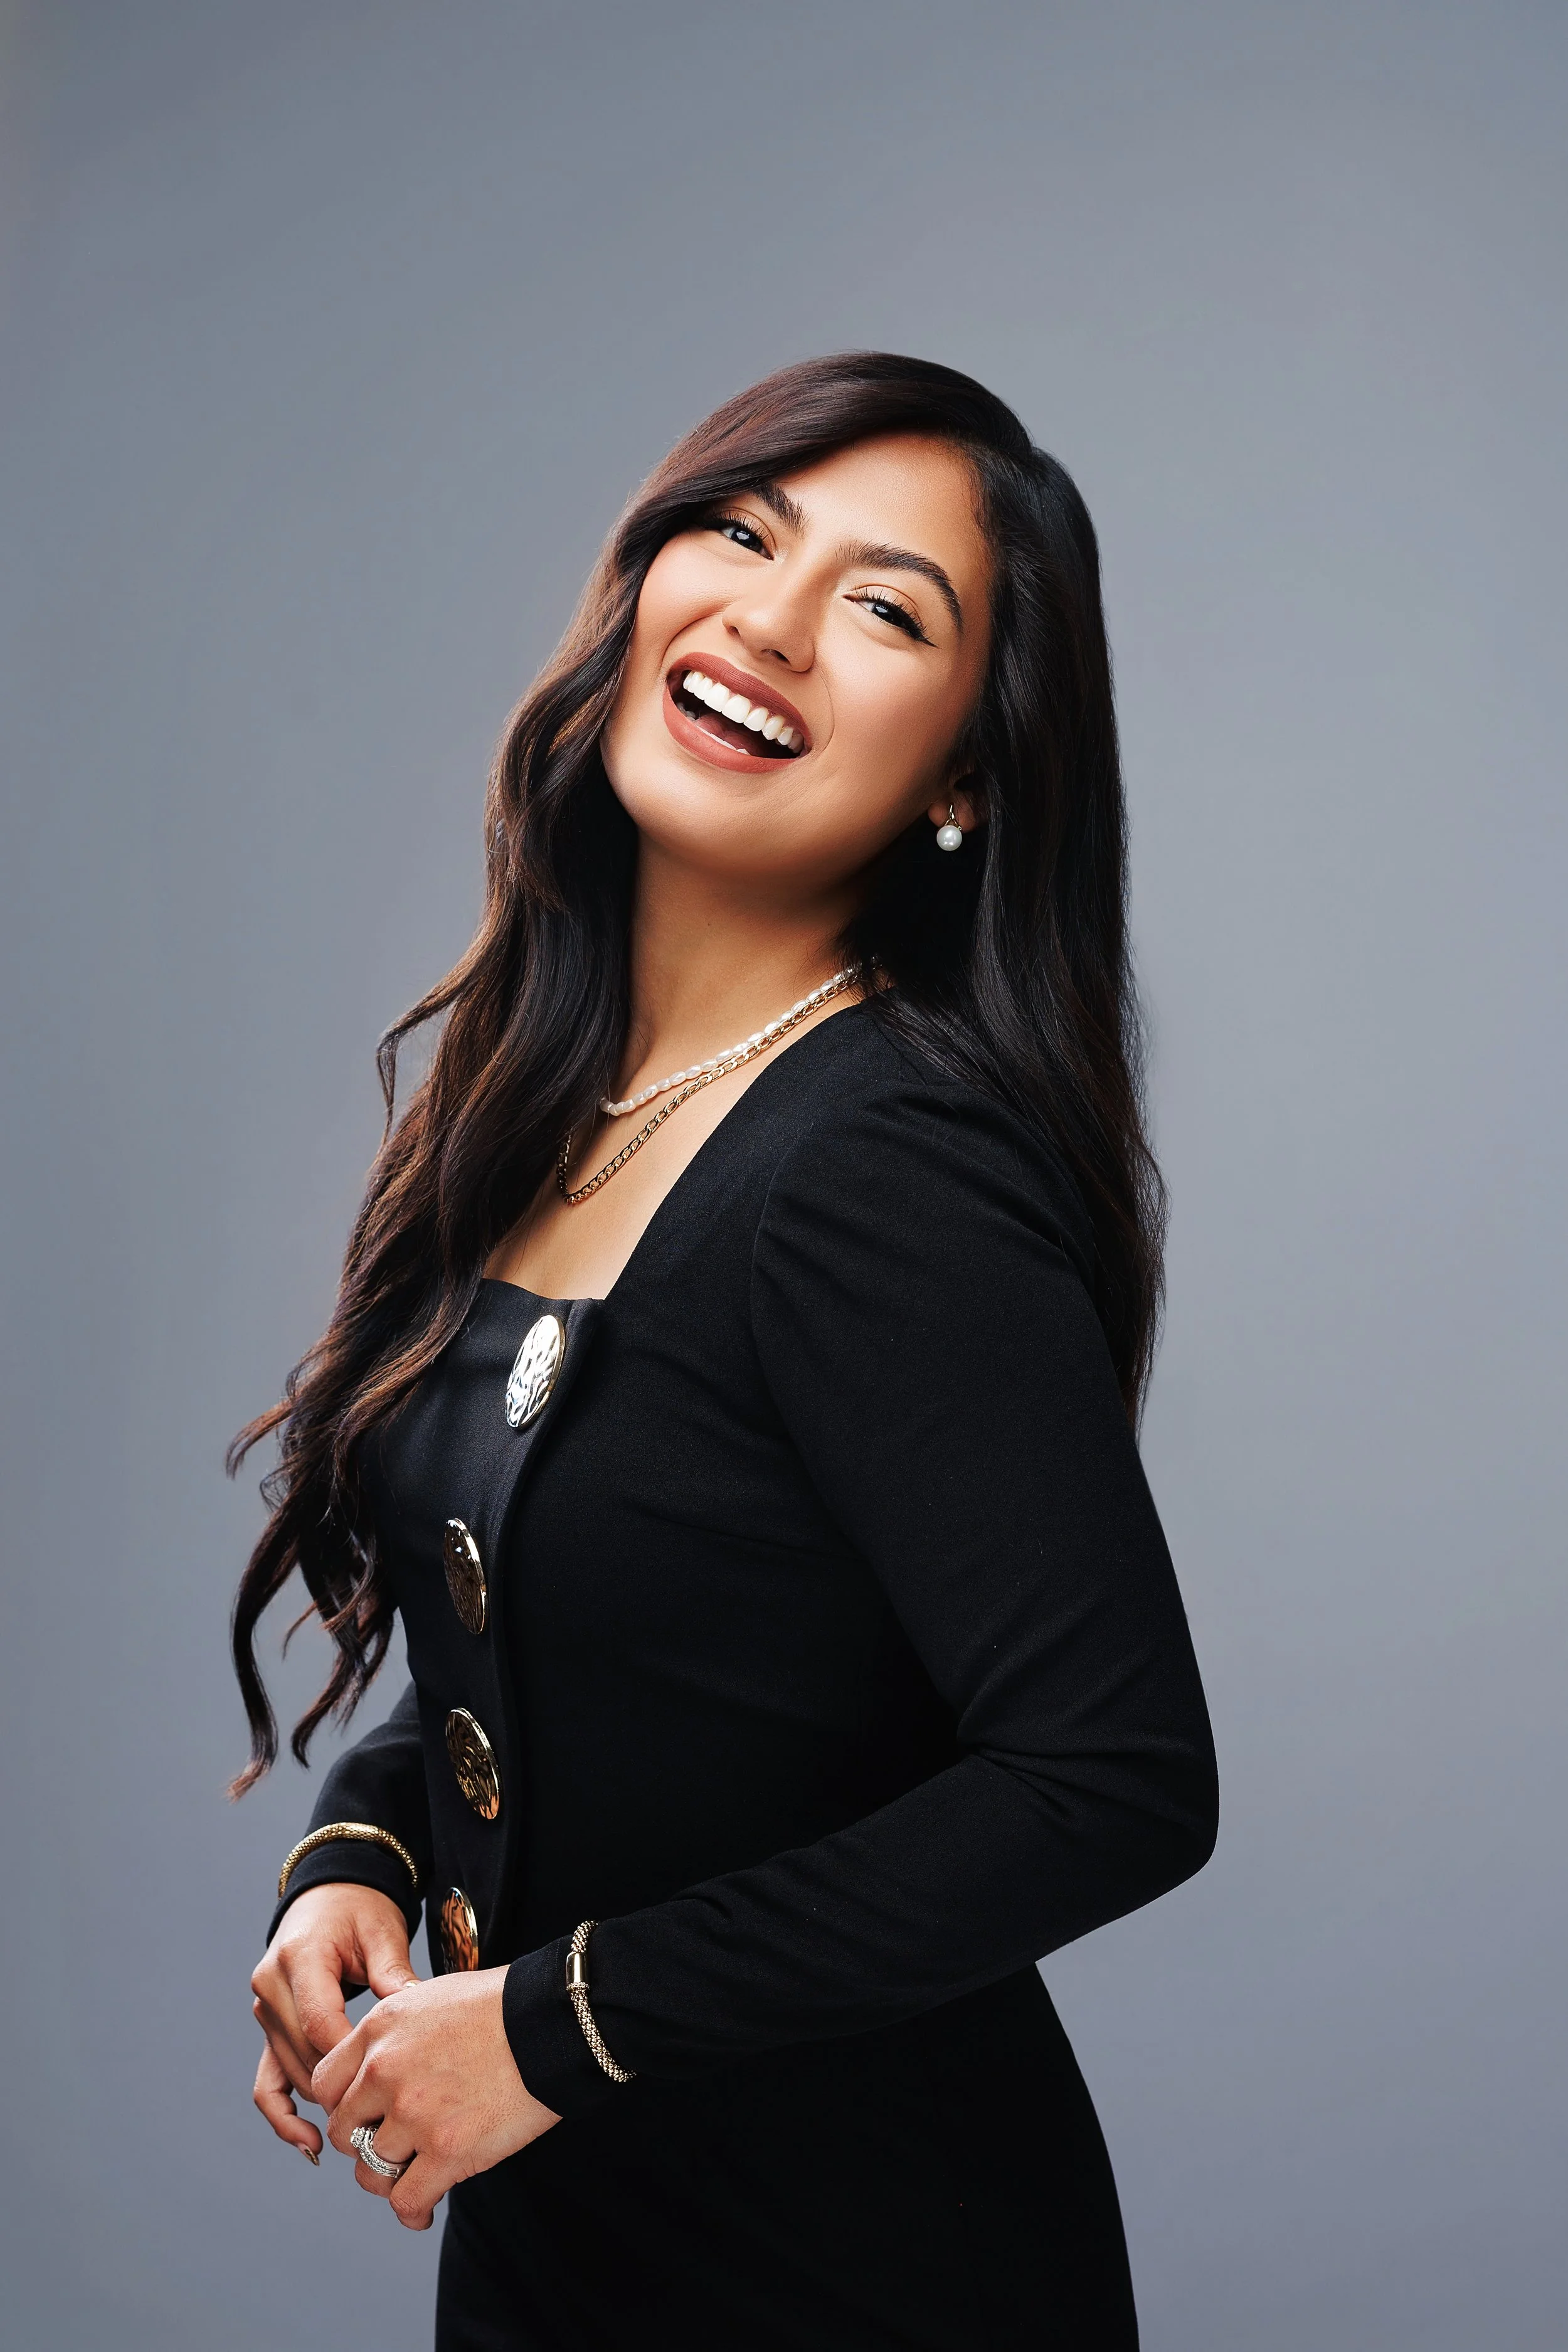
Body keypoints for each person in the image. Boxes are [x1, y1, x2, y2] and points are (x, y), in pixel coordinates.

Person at [233, 350, 1218, 2350]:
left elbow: (1114, 1774)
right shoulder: (559, 1107)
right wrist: (358, 1853)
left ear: (964, 775)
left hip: (852, 2269)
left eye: (883, 604)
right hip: (568, 2250)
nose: (768, 618)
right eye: (742, 529)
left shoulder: (879, 1167)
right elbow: (643, 1674)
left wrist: (550, 2024)